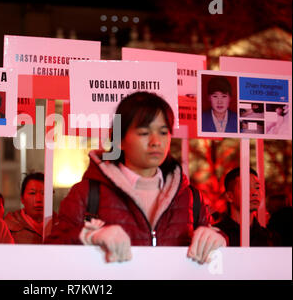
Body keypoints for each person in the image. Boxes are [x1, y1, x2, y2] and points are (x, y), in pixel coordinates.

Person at [46, 91, 227, 264]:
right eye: (144, 133)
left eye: (163, 132)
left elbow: (218, 248)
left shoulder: (190, 197)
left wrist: (217, 238)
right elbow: (51, 251)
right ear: (119, 139)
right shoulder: (87, 193)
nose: (156, 141)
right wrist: (89, 237)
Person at [213, 167, 280, 246]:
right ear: (229, 196)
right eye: (246, 187)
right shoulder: (216, 235)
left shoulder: (270, 238)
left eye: (257, 187)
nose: (255, 192)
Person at [4, 172, 57, 244]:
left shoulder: (60, 224)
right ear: (22, 198)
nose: (38, 199)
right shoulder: (8, 226)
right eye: (32, 193)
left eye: (44, 193)